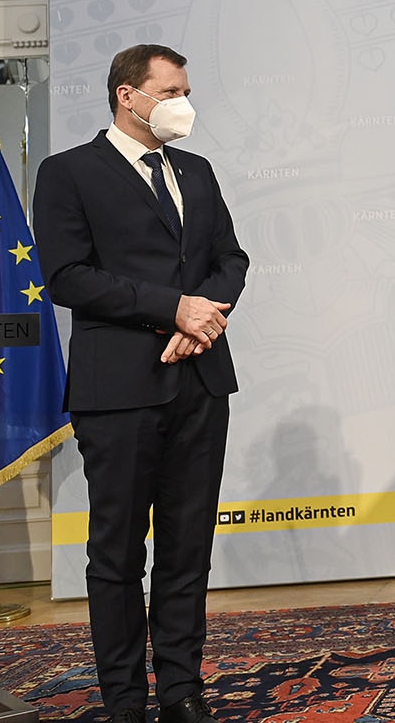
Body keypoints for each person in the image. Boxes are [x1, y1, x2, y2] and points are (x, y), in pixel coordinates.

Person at [32, 44, 248, 723]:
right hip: (118, 390)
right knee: (118, 552)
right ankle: (125, 699)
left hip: (200, 382)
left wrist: (200, 321)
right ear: (128, 95)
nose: (184, 103)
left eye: (186, 91)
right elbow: (68, 277)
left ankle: (182, 691)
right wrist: (172, 309)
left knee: (188, 548)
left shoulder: (197, 170)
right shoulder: (68, 172)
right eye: (171, 91)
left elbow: (231, 259)